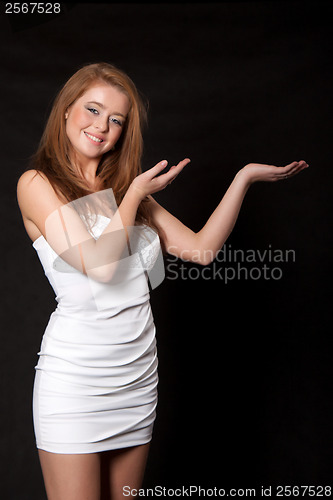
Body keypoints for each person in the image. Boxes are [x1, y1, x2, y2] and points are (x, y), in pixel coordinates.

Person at [16, 62, 308, 500]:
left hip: (136, 380)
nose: (102, 126)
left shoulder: (129, 192)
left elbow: (202, 251)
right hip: (76, 384)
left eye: (116, 120)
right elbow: (99, 265)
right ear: (65, 112)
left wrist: (243, 177)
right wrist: (134, 194)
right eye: (92, 110)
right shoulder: (38, 184)